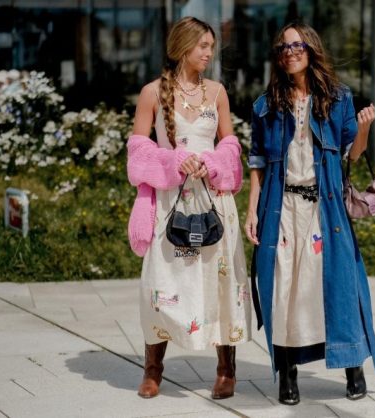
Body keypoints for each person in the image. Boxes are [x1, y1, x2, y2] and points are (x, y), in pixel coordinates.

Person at [245, 22, 375, 405]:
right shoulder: (265, 105)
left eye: (297, 45)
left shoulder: (338, 98)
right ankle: (287, 373)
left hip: (325, 207)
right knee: (284, 289)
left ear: (311, 49)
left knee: (338, 285)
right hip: (281, 208)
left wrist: (364, 129)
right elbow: (257, 162)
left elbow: (353, 153)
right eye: (283, 48)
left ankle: (353, 366)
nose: (290, 52)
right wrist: (252, 210)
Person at [126, 16, 251, 400]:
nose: (209, 53)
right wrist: (175, 161)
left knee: (220, 281)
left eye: (212, 46)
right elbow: (138, 152)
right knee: (162, 282)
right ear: (183, 47)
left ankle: (226, 370)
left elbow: (230, 145)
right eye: (203, 46)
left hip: (213, 202)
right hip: (171, 202)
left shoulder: (217, 92)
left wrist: (212, 163)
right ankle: (153, 369)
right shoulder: (152, 93)